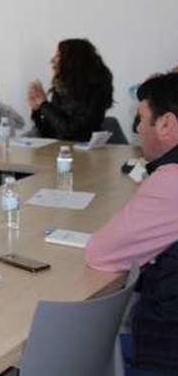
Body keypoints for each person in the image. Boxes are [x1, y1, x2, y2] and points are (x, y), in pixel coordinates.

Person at [84, 72, 178, 374]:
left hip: (164, 355)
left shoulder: (171, 182)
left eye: (141, 119)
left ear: (167, 124)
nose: (137, 129)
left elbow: (101, 252)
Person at [27, 38, 113, 141]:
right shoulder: (60, 90)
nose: (52, 61)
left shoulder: (95, 91)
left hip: (85, 152)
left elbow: (71, 131)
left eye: (58, 56)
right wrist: (37, 111)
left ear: (72, 61)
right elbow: (48, 133)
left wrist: (44, 105)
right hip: (60, 151)